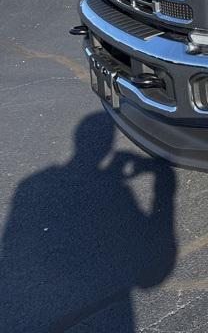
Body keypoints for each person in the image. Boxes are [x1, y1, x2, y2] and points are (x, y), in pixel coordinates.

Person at [0, 113, 177, 332]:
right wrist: (164, 181)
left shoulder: (30, 186)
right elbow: (154, 272)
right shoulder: (117, 190)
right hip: (108, 309)